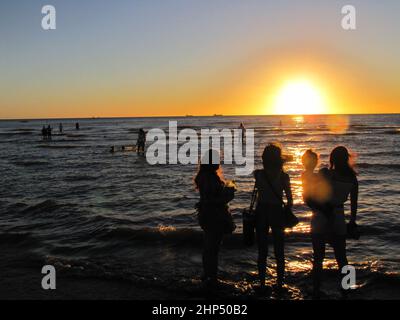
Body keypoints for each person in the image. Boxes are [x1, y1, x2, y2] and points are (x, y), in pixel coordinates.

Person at [303, 146, 359, 299]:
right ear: (346, 159)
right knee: (342, 257)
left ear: (332, 159)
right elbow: (354, 205)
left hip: (321, 215)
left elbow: (315, 194)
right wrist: (352, 222)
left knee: (318, 257)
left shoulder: (327, 174)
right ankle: (347, 288)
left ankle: (316, 289)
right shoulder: (353, 179)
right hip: (339, 216)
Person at [253, 143, 293, 291]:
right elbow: (290, 200)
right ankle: (279, 283)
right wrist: (287, 209)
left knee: (262, 250)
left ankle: (262, 283)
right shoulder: (284, 177)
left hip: (262, 211)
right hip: (276, 211)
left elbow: (257, 193)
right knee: (279, 250)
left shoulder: (258, 174)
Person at [194, 149, 236, 287]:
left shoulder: (204, 176)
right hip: (213, 215)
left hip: (206, 215)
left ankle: (208, 275)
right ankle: (212, 277)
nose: (219, 163)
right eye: (217, 160)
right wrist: (228, 196)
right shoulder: (209, 178)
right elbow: (212, 200)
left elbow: (208, 198)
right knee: (213, 247)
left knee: (209, 246)